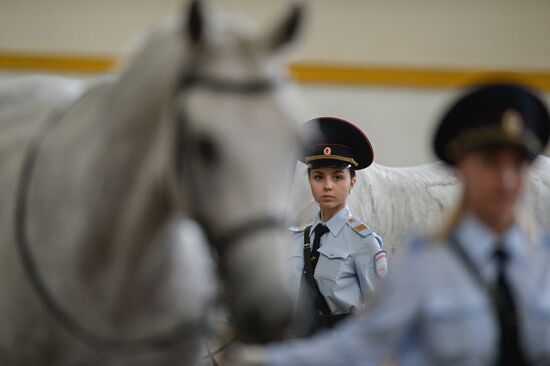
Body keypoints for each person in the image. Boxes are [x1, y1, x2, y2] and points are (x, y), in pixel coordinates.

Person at [234, 82, 550, 365]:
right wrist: (266, 360)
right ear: (461, 169)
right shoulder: (424, 265)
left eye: (520, 165)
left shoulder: (543, 265)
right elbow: (362, 344)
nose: (507, 180)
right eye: (491, 164)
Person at [287, 117, 387, 336]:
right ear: (309, 180)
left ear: (352, 182)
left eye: (338, 177)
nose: (328, 186)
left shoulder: (364, 242)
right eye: (319, 177)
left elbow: (381, 312)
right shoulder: (294, 240)